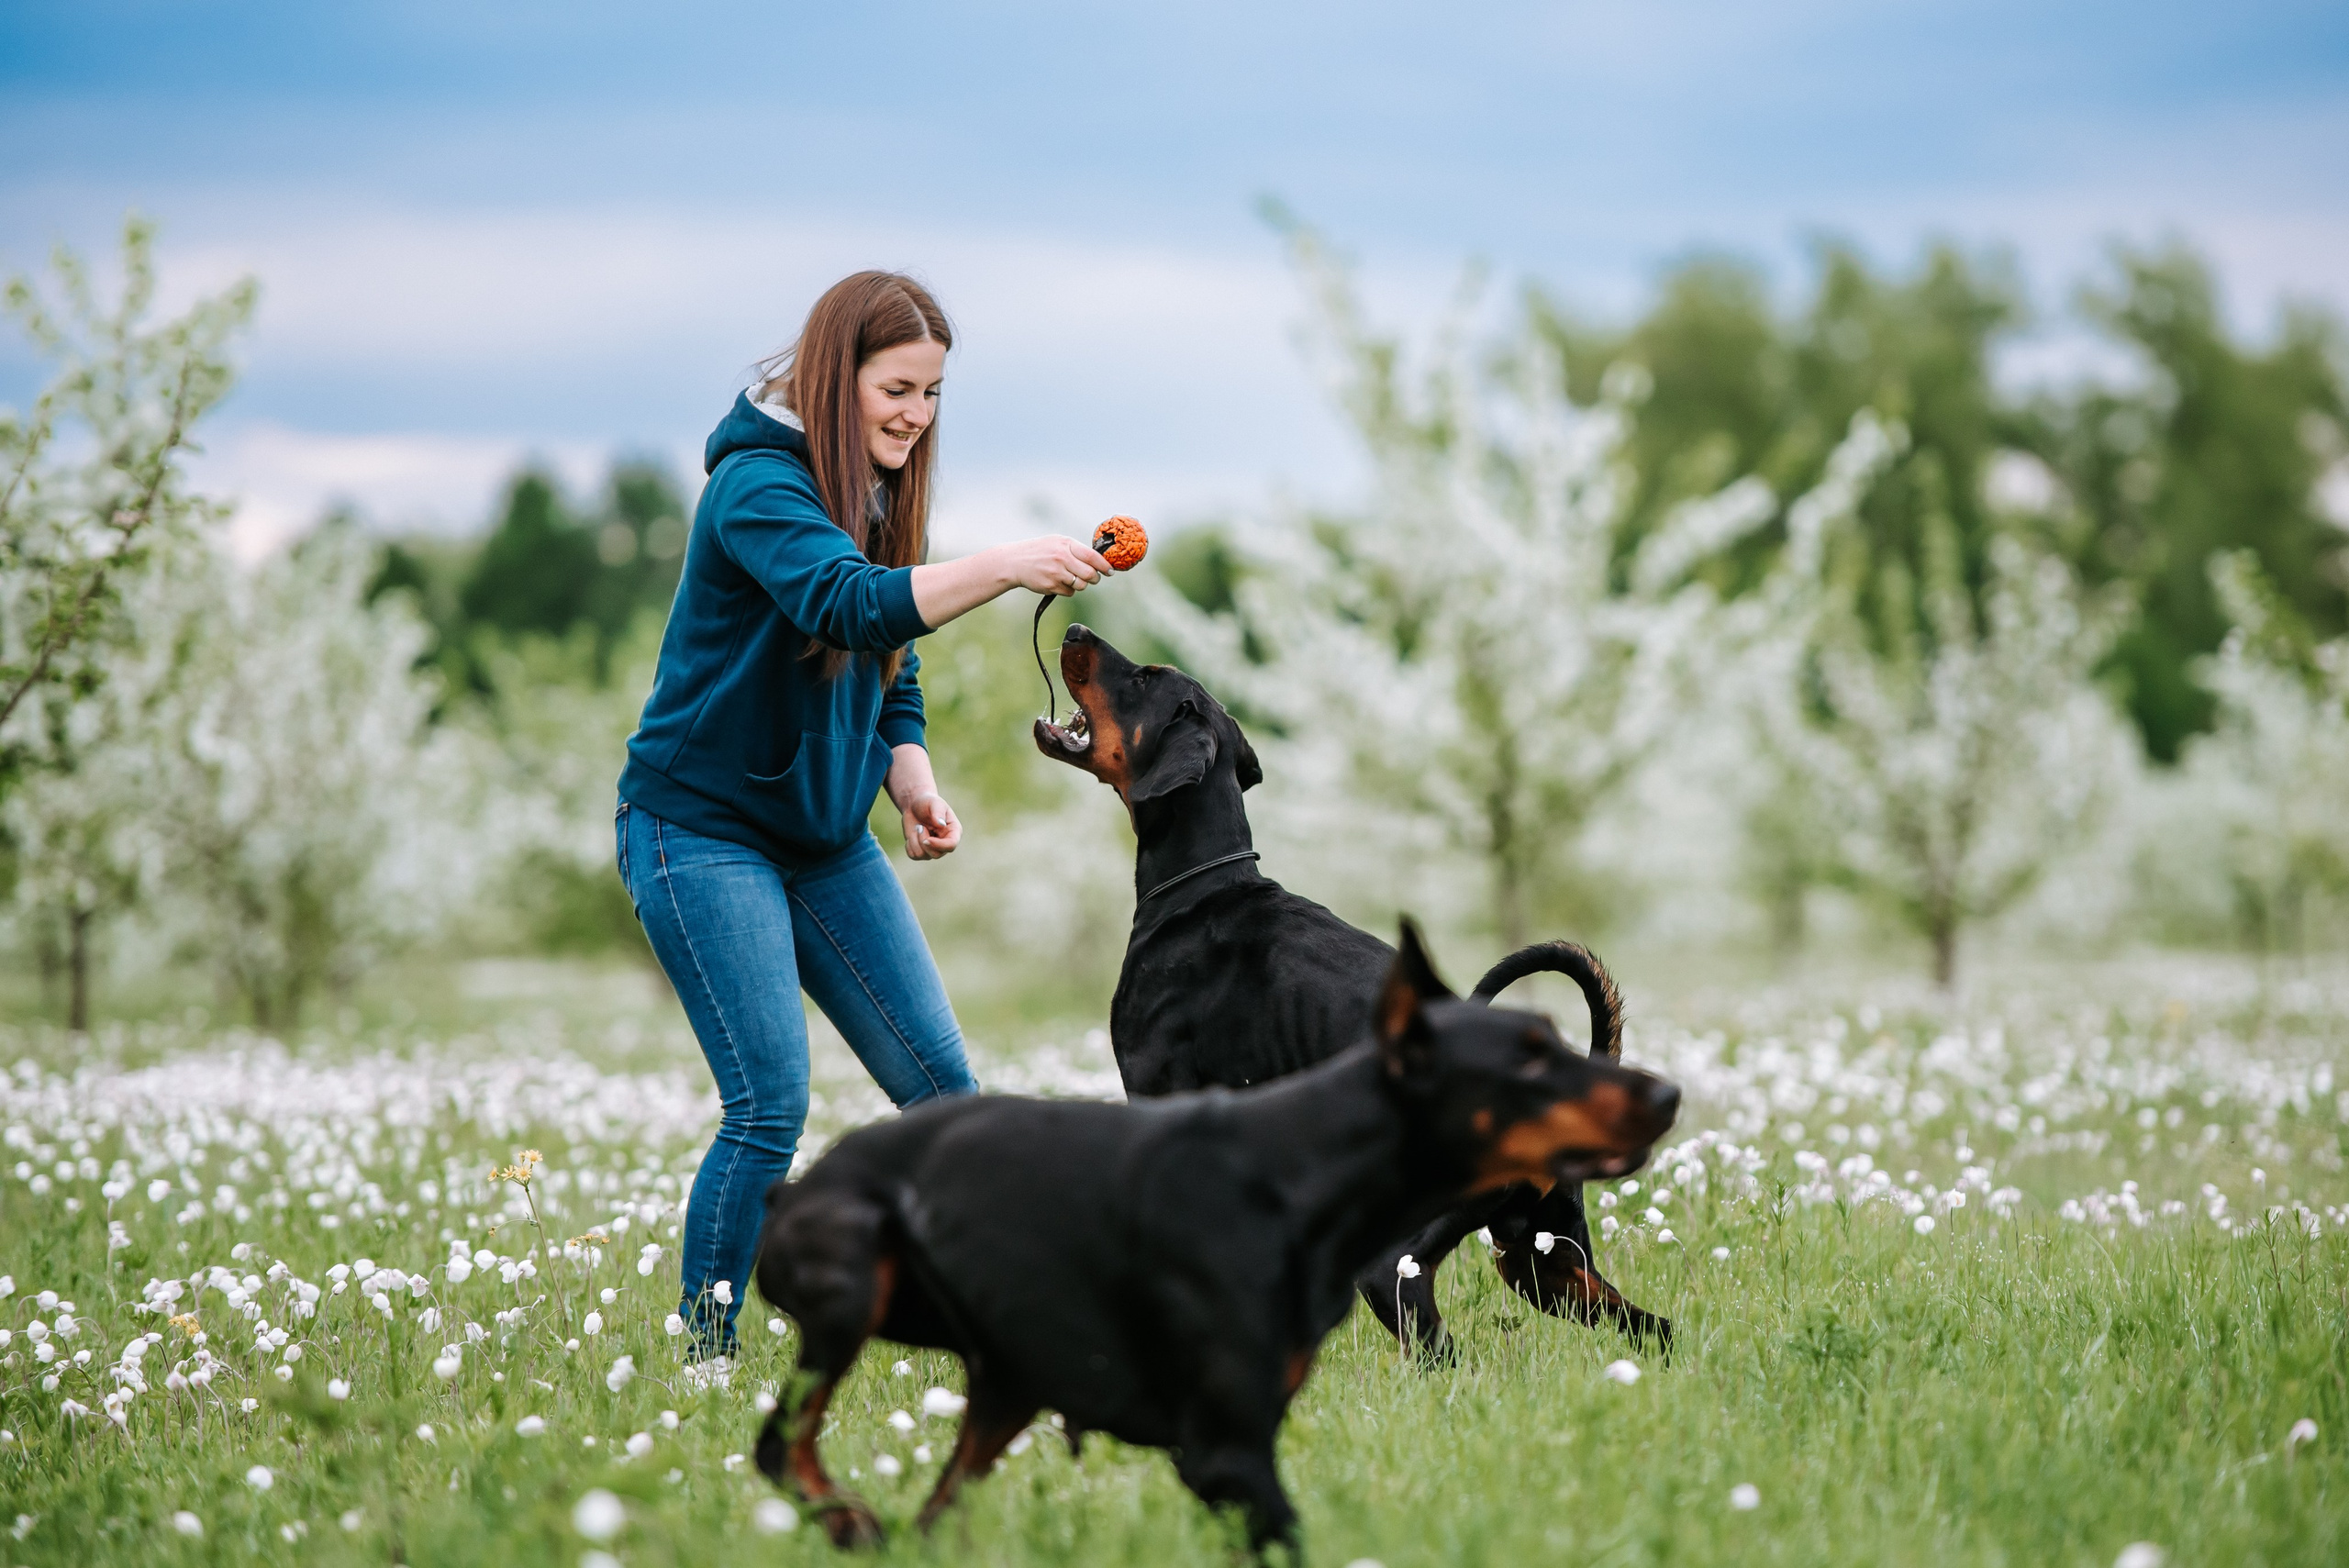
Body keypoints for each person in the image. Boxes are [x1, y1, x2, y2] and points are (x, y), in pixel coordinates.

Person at [616, 271, 1112, 1361]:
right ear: (836, 374)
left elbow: (888, 658)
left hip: (826, 838)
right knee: (767, 1105)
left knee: (943, 1093)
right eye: (897, 388)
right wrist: (1002, 563)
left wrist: (911, 773)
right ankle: (704, 1357)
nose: (915, 415)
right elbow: (845, 601)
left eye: (932, 394)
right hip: (699, 828)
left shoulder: (875, 488)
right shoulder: (755, 486)